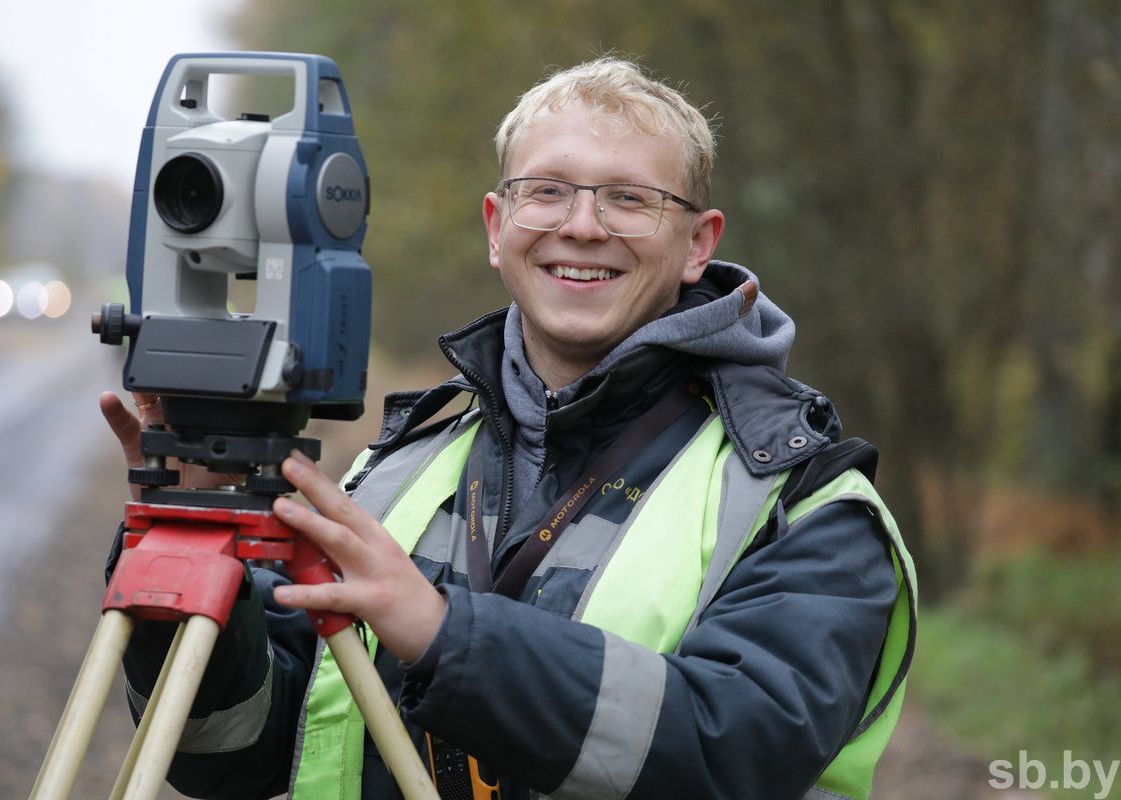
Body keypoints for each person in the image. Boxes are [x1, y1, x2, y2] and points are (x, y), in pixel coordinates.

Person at [101, 56, 916, 800]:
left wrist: (447, 636)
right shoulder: (399, 472)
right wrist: (189, 550)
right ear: (498, 225)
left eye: (630, 197)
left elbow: (737, 751)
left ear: (698, 243)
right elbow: (230, 753)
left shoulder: (799, 503)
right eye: (548, 190)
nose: (583, 226)